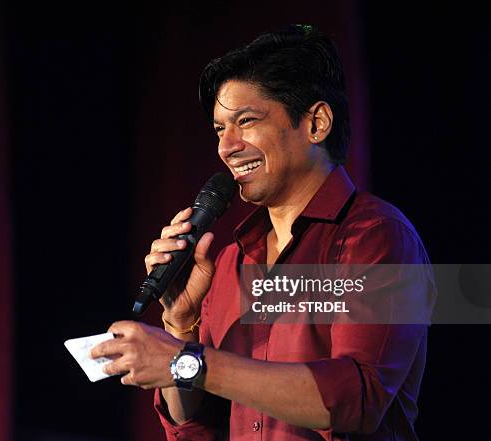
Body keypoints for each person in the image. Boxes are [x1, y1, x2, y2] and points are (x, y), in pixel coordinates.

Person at [91, 24, 431, 440]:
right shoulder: (231, 261)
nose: (226, 147)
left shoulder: (375, 236)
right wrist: (181, 326)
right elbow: (199, 425)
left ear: (317, 123)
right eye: (219, 129)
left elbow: (355, 400)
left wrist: (184, 357)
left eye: (246, 121)